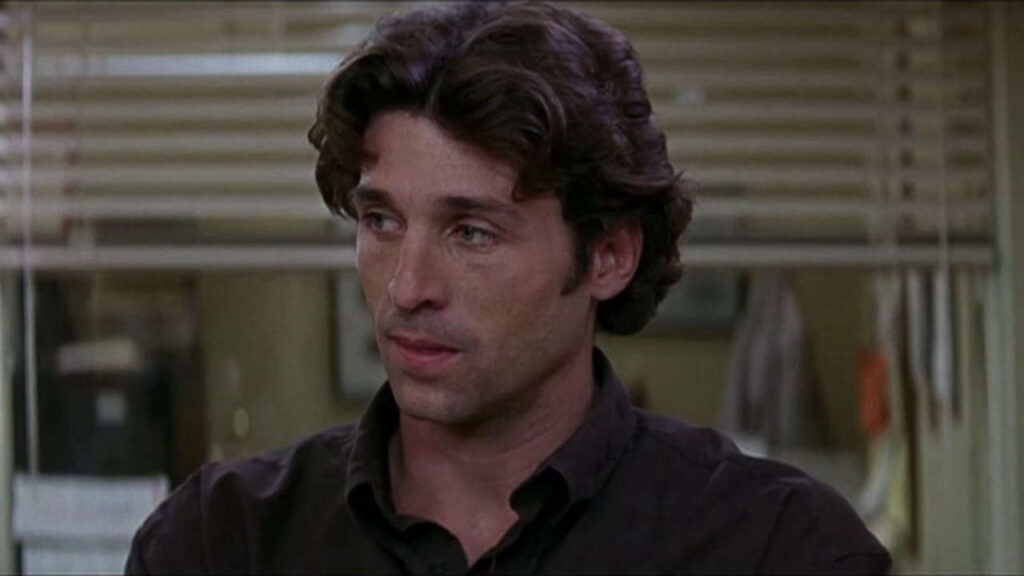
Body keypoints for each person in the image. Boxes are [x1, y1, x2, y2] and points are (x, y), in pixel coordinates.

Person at [126, 2, 891, 574]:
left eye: (472, 233)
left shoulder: (778, 547)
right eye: (382, 221)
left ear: (609, 257)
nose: (408, 288)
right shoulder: (221, 542)